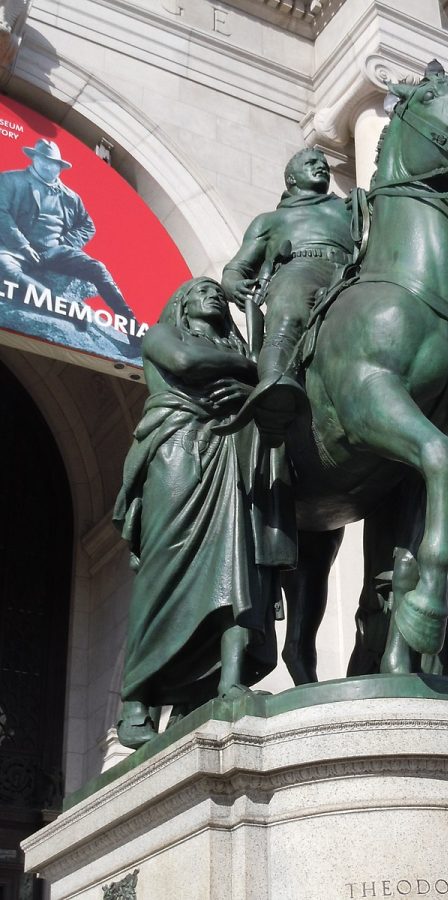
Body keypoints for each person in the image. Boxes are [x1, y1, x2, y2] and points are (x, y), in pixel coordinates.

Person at [113, 277, 296, 750]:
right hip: (177, 449)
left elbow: (272, 385)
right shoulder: (162, 335)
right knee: (164, 571)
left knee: (239, 565)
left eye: (217, 292)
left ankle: (226, 681)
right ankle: (138, 696)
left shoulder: (237, 349)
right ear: (181, 304)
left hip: (231, 449)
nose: (212, 295)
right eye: (200, 291)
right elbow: (186, 362)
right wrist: (251, 367)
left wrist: (248, 388)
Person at [220, 147, 353, 445]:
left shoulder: (348, 209)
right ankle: (274, 387)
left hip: (350, 270)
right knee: (289, 306)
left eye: (323, 163)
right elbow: (236, 268)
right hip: (300, 267)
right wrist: (233, 284)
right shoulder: (269, 221)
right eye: (311, 163)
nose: (321, 166)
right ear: (291, 178)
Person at [0, 138, 135, 324]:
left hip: (55, 251)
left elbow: (88, 226)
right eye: (43, 160)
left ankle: (129, 322)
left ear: (60, 167)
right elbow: (1, 214)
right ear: (34, 159)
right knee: (7, 269)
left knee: (98, 268)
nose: (48, 166)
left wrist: (63, 244)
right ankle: (66, 311)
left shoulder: (71, 197)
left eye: (53, 163)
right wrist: (23, 246)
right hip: (14, 250)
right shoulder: (10, 180)